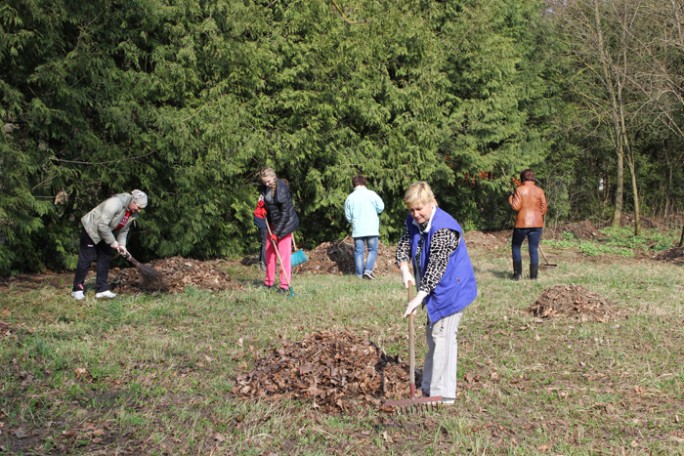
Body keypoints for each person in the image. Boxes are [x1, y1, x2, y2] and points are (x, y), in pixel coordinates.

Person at [396, 181, 477, 405]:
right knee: (434, 337)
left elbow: (436, 267)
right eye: (411, 209)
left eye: (419, 208)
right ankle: (428, 386)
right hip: (432, 290)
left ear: (432, 203)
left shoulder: (444, 228)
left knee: (443, 339)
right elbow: (404, 243)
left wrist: (419, 296)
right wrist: (404, 269)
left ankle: (443, 395)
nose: (415, 214)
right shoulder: (413, 221)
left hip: (452, 289)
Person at [71, 190, 148, 300]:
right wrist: (112, 242)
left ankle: (102, 290)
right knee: (86, 260)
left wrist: (122, 245)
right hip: (92, 229)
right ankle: (77, 289)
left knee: (105, 258)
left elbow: (124, 230)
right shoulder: (115, 203)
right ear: (133, 201)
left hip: (106, 233)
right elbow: (102, 224)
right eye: (138, 207)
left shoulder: (132, 212)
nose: (139, 210)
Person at [259, 168, 300, 293]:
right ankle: (269, 282)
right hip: (271, 224)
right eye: (265, 182)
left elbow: (285, 214)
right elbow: (265, 202)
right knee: (269, 254)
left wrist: (276, 233)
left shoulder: (281, 189)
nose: (267, 184)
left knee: (283, 256)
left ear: (274, 177)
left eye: (269, 181)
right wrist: (261, 208)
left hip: (285, 225)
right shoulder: (263, 187)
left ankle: (284, 285)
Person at [508, 169, 547, 280]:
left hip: (522, 223)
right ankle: (533, 276)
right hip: (537, 223)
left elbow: (516, 207)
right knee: (533, 249)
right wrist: (536, 215)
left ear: (522, 178)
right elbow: (544, 208)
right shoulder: (539, 191)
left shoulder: (519, 190)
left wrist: (511, 198)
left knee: (516, 247)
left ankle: (517, 275)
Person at [344, 175, 385, 279]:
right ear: (364, 183)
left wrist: (353, 221)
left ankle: (359, 275)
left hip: (358, 229)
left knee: (359, 251)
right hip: (371, 227)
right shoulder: (372, 194)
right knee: (372, 249)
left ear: (354, 184)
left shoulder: (350, 197)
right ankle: (368, 270)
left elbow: (348, 216)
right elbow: (381, 207)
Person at [253, 195, 268, 271]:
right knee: (266, 242)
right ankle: (263, 264)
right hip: (261, 218)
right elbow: (261, 204)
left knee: (264, 242)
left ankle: (261, 261)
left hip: (261, 218)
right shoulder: (265, 194)